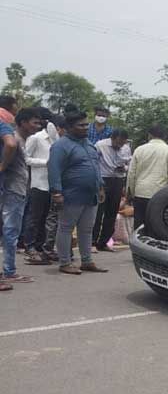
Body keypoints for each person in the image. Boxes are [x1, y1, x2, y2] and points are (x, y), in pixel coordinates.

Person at [48, 110, 107, 275]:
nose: (85, 127)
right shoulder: (60, 146)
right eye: (81, 125)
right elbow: (54, 170)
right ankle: (65, 262)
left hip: (91, 195)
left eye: (86, 124)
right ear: (69, 127)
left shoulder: (88, 144)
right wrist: (57, 192)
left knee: (87, 230)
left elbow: (96, 167)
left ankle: (87, 261)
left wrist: (100, 186)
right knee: (66, 228)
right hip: (71, 195)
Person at [0, 108, 41, 284]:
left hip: (15, 190)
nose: (38, 126)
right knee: (11, 232)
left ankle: (9, 270)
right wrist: (2, 166)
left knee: (10, 232)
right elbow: (9, 147)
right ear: (23, 122)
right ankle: (9, 271)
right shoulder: (13, 139)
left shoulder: (21, 140)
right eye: (35, 122)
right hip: (13, 191)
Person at [23, 108, 63, 264]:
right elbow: (26, 158)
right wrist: (44, 163)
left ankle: (42, 247)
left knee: (47, 218)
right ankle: (30, 247)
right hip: (38, 183)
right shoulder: (36, 138)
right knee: (35, 217)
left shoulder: (57, 140)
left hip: (52, 184)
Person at [127, 125, 168, 229]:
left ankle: (137, 244)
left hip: (140, 193)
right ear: (164, 136)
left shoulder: (139, 150)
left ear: (149, 135)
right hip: (160, 196)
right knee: (157, 227)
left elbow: (131, 174)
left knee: (139, 227)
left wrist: (130, 193)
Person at [93, 129, 132, 252]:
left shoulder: (126, 148)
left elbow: (129, 163)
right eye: (118, 143)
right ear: (113, 138)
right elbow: (93, 162)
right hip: (103, 179)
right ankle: (92, 242)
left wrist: (124, 168)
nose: (120, 146)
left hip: (118, 179)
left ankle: (103, 242)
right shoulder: (100, 145)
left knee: (112, 212)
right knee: (98, 212)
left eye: (123, 143)